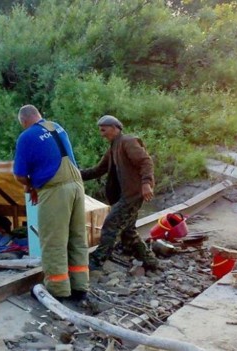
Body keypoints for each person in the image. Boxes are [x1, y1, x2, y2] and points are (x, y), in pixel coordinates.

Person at [13, 104, 89, 301]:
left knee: (53, 240)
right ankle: (80, 287)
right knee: (77, 238)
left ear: (23, 121)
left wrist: (30, 186)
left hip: (55, 189)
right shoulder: (56, 126)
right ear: (39, 115)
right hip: (77, 186)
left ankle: (58, 290)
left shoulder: (26, 136)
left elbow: (19, 175)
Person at [80, 115, 159, 271]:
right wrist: (74, 174)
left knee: (110, 224)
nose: (101, 133)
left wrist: (146, 183)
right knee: (128, 232)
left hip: (132, 195)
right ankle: (151, 262)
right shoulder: (113, 147)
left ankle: (97, 261)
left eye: (104, 129)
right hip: (126, 195)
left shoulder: (128, 142)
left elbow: (145, 161)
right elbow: (98, 170)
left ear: (115, 128)